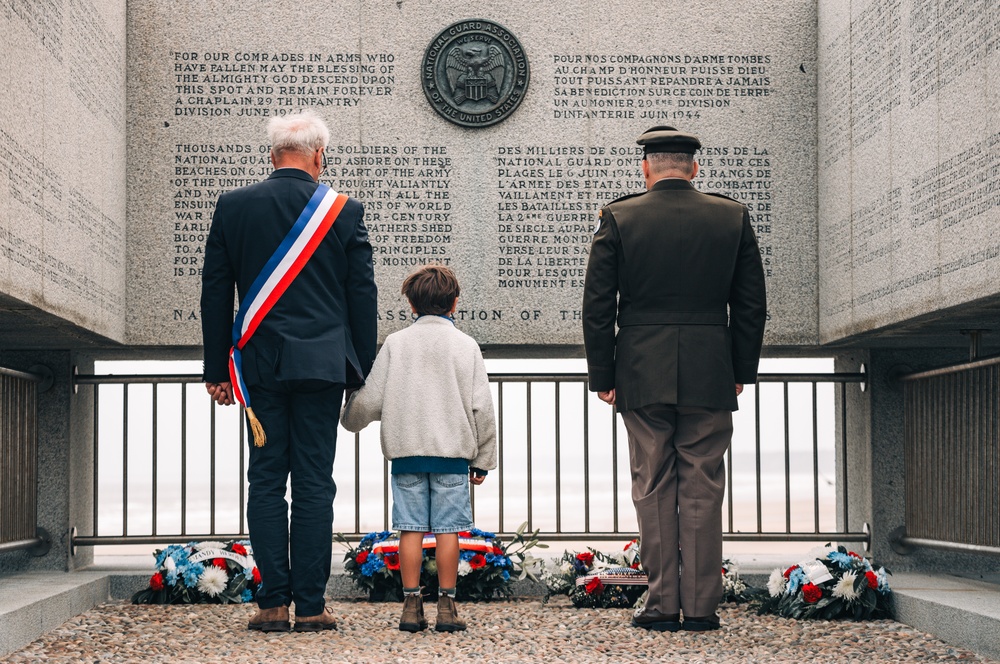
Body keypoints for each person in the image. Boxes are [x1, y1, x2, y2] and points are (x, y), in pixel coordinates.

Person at [582, 126, 767, 632]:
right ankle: (703, 607)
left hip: (641, 370)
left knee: (653, 485)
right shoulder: (731, 217)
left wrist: (604, 374)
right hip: (711, 370)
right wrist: (739, 371)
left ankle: (662, 604)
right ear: (694, 169)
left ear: (646, 168)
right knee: (703, 486)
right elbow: (751, 306)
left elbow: (598, 307)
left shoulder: (619, 217)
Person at [200, 109, 377, 633]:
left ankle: (273, 603)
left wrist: (216, 369)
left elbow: (215, 293)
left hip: (259, 366)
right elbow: (360, 296)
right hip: (322, 367)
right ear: (319, 155)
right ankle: (312, 605)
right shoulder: (342, 210)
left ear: (271, 156)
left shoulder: (233, 206)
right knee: (316, 484)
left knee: (266, 479)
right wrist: (359, 370)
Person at [340, 264, 497, 633]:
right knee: (448, 531)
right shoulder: (466, 346)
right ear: (455, 303)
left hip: (407, 454)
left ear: (411, 305)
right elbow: (482, 408)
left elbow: (371, 400)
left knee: (409, 530)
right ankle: (447, 607)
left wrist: (350, 415)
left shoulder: (397, 343)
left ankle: (411, 607)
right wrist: (483, 459)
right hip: (454, 457)